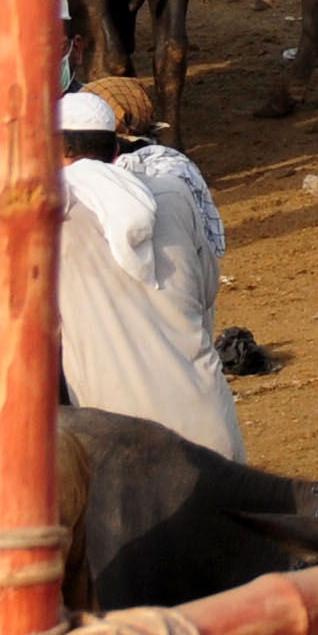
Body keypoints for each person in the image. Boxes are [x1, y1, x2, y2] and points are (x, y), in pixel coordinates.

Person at [58, 89, 240, 455]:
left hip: (121, 453)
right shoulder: (174, 194)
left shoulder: (48, 222)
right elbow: (206, 293)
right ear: (115, 151)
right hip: (211, 430)